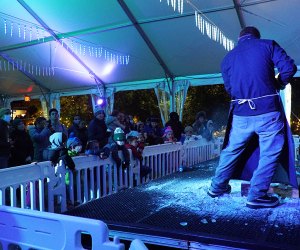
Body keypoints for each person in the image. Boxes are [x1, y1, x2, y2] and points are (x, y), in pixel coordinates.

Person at [207, 26, 298, 209]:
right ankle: (256, 195)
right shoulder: (267, 45)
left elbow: (230, 89)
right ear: (257, 36)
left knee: (232, 150)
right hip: (267, 111)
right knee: (269, 153)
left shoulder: (228, 58)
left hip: (241, 114)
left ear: (240, 38)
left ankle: (217, 187)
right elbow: (289, 68)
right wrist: (277, 83)